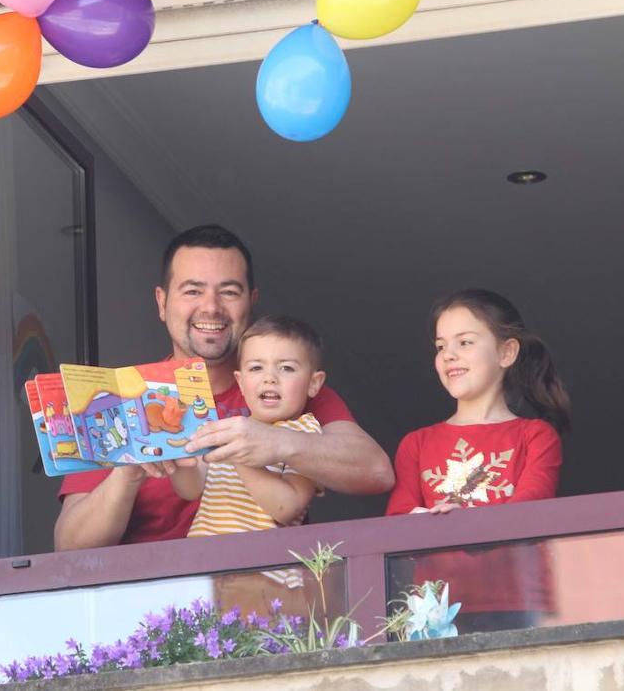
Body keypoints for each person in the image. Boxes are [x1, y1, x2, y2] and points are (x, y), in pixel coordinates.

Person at [55, 225, 393, 550]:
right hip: (148, 603)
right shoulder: (115, 402)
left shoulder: (289, 389)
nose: (211, 307)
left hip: (267, 600)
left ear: (251, 301)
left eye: (229, 292)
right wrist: (125, 476)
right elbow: (68, 546)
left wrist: (278, 442)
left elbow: (376, 473)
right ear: (162, 302)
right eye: (192, 290)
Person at [386, 288, 569, 631]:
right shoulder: (416, 443)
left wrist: (461, 521)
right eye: (441, 347)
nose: (449, 355)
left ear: (506, 352)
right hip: (435, 608)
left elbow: (528, 512)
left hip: (515, 600)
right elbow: (397, 521)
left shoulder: (535, 436)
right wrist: (422, 519)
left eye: (465, 342)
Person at [166, 316, 327, 537]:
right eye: (256, 368)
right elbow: (190, 490)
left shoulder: (305, 433)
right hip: (205, 560)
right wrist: (176, 457)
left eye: (287, 368)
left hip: (263, 566)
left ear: (313, 383)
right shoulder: (225, 428)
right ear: (241, 382)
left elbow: (286, 508)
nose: (269, 378)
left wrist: (239, 456)